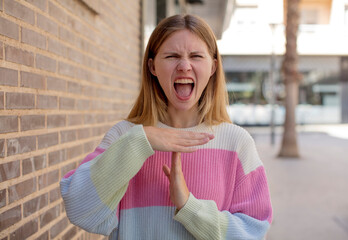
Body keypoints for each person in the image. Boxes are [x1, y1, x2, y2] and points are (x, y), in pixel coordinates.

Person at [60, 14, 272, 240]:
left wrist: (189, 207)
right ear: (152, 66)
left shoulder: (236, 143)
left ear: (212, 67)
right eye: (172, 56)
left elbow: (253, 233)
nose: (184, 66)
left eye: (196, 56)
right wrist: (140, 142)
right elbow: (79, 208)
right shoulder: (126, 136)